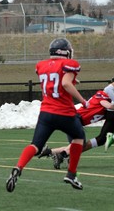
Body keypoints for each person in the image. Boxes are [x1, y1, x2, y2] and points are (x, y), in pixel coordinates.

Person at [6, 38, 88, 191]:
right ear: (65, 51)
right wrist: (83, 100)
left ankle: (18, 167)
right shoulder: (69, 64)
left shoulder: (41, 65)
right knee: (79, 138)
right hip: (64, 112)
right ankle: (71, 174)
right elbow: (65, 83)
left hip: (46, 112)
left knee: (35, 145)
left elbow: (56, 80)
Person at [40, 58, 114, 169]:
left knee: (100, 140)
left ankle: (57, 153)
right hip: (93, 116)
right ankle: (112, 139)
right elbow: (108, 92)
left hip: (110, 112)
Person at [38, 89, 114, 169]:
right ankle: (61, 155)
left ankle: (50, 152)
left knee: (77, 145)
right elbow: (108, 105)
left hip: (75, 120)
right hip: (74, 119)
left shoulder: (105, 102)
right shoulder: (102, 96)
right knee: (79, 144)